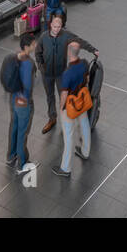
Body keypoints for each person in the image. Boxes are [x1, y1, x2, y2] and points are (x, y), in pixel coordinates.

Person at [35, 14, 97, 135]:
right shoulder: (43, 37)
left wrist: (93, 49)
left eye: (59, 27)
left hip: (60, 74)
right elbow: (38, 53)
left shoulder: (66, 35)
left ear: (61, 26)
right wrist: (41, 67)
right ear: (50, 25)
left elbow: (79, 41)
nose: (57, 29)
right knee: (50, 97)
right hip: (46, 74)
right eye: (55, 26)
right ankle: (52, 119)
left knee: (64, 98)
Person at [53, 42, 93, 177]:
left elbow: (64, 94)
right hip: (82, 101)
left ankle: (65, 168)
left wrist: (61, 107)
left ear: (69, 53)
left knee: (68, 136)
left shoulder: (67, 73)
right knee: (84, 124)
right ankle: (85, 152)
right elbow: (87, 79)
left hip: (70, 106)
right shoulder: (85, 63)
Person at [4, 32, 38, 171]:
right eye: (33, 44)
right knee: (23, 132)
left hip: (13, 98)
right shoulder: (28, 63)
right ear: (27, 46)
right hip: (23, 101)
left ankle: (11, 156)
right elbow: (28, 86)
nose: (35, 45)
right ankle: (23, 163)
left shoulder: (15, 56)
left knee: (14, 127)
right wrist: (28, 101)